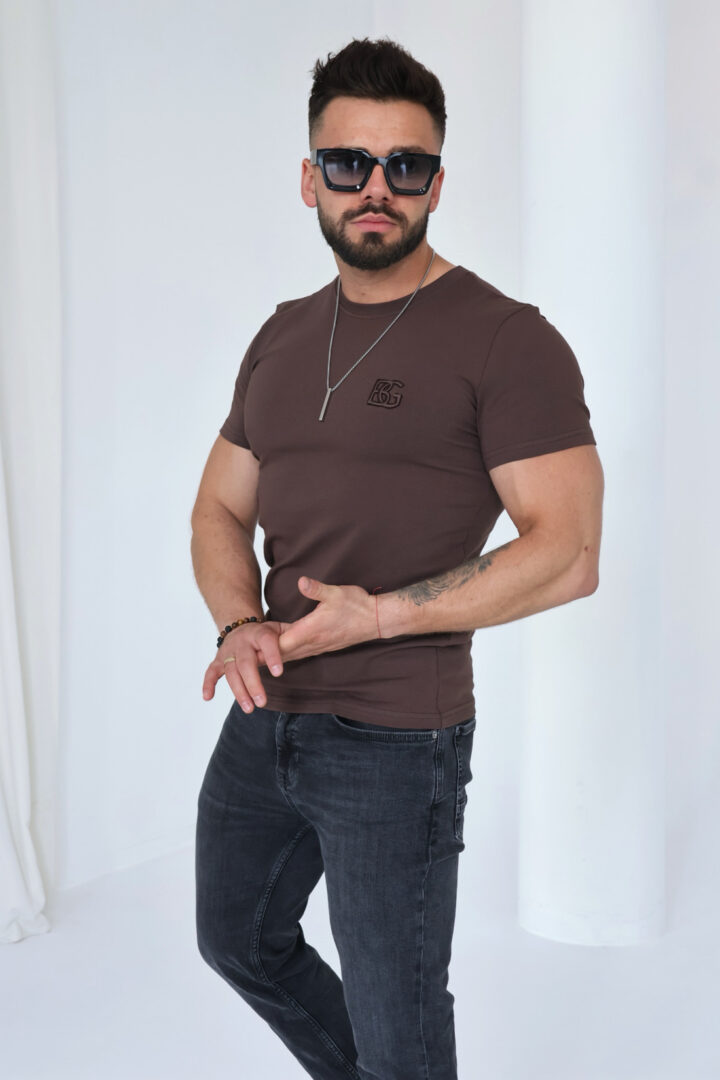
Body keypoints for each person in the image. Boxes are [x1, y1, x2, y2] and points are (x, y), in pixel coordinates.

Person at [190, 36, 604, 1080]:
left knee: (399, 1027)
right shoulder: (282, 335)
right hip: (266, 712)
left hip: (396, 742)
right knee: (238, 939)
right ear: (310, 178)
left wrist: (376, 617)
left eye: (405, 165)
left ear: (436, 184)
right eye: (349, 162)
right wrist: (239, 623)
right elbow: (218, 507)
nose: (376, 187)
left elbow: (569, 552)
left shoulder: (507, 340)